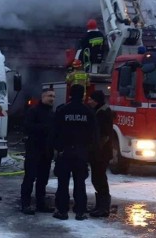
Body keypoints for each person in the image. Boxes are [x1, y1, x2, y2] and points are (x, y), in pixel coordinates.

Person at [53, 84, 98, 221]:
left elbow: (54, 131)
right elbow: (94, 133)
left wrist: (57, 148)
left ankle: (62, 211)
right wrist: (89, 151)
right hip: (81, 152)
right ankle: (80, 211)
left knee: (63, 182)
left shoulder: (62, 110)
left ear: (70, 94)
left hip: (65, 152)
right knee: (80, 183)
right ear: (83, 95)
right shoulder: (88, 111)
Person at [20, 88, 56, 215]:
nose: (52, 98)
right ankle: (25, 204)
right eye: (49, 96)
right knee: (29, 178)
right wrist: (44, 128)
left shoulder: (52, 113)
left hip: (46, 151)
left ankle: (41, 203)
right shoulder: (33, 111)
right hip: (34, 150)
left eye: (53, 96)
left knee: (43, 179)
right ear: (43, 96)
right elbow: (27, 126)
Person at [87, 90, 113, 218]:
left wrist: (96, 149)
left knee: (100, 179)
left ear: (96, 100)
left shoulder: (102, 113)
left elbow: (103, 135)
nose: (89, 101)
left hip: (101, 153)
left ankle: (103, 207)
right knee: (97, 178)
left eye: (91, 99)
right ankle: (100, 206)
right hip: (100, 152)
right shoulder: (100, 111)